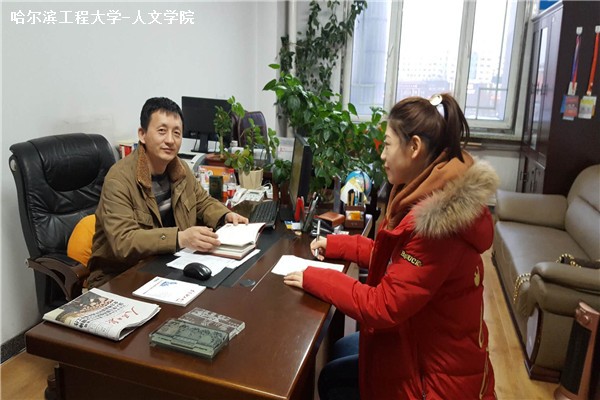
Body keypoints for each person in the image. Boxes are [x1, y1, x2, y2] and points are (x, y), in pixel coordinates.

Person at [284, 93, 499, 399]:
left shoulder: (437, 225)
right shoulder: (425, 190)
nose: (382, 156)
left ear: (414, 147)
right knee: (338, 360)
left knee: (333, 380)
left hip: (433, 385)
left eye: (387, 145)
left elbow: (382, 305)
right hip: (418, 346)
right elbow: (391, 258)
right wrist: (336, 245)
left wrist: (313, 277)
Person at [88, 97, 248, 288]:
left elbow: (202, 202)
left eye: (177, 133)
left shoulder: (180, 169)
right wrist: (181, 238)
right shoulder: (119, 179)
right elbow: (124, 242)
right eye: (162, 131)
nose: (170, 140)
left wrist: (225, 215)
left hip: (165, 264)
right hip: (119, 276)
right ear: (142, 134)